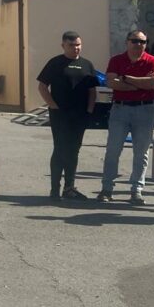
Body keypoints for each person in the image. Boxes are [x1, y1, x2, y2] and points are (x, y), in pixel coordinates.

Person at [98, 30, 154, 205]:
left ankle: (136, 190)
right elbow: (111, 82)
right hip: (120, 109)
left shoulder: (153, 61)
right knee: (113, 150)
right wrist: (139, 84)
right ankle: (107, 188)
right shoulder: (116, 60)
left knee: (141, 152)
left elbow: (153, 83)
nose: (138, 44)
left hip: (145, 109)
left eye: (143, 41)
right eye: (134, 41)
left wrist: (126, 78)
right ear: (127, 42)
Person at [37, 31, 99, 201]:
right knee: (60, 149)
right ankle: (54, 189)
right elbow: (42, 87)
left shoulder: (87, 64)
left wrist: (90, 110)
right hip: (60, 114)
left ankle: (69, 188)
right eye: (71, 45)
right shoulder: (55, 63)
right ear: (63, 45)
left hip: (80, 115)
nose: (75, 48)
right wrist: (53, 106)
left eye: (78, 45)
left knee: (74, 149)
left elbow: (92, 90)